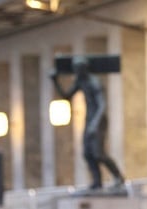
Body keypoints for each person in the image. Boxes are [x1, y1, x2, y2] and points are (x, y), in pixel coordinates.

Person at [50, 55, 124, 190]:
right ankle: (97, 182)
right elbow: (66, 96)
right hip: (89, 119)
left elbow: (102, 105)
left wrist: (95, 124)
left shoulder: (94, 82)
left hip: (98, 120)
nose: (76, 71)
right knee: (87, 154)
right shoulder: (81, 81)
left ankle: (118, 176)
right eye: (75, 69)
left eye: (78, 69)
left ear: (84, 68)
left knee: (99, 154)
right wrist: (55, 81)